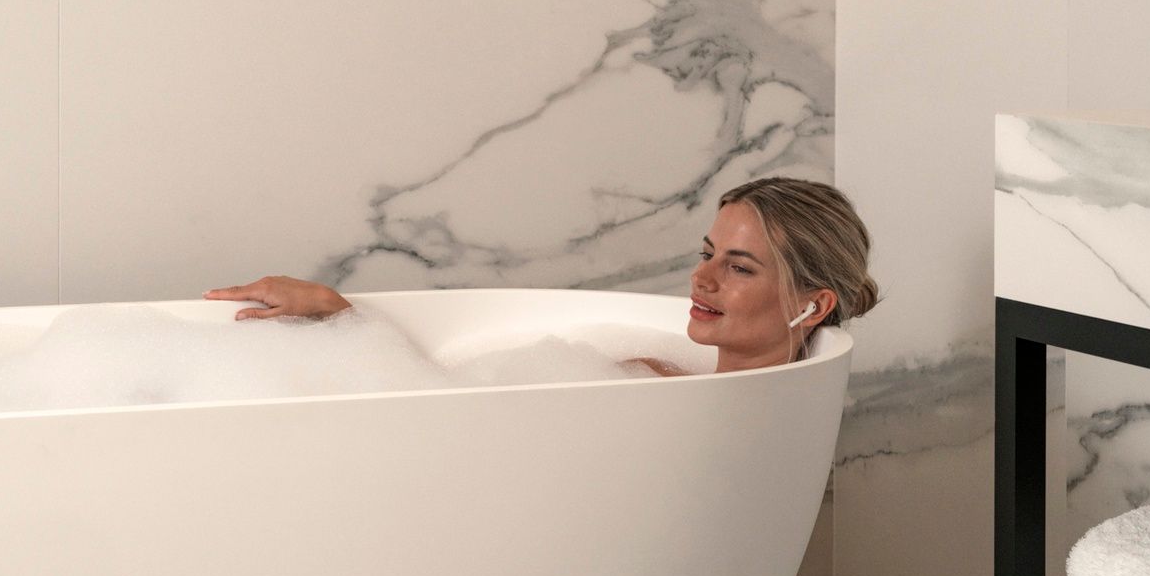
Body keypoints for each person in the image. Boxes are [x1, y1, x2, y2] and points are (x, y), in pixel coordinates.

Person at [206, 176, 877, 375]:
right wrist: (337, 312)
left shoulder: (666, 393)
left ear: (814, 306)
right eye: (707, 253)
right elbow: (447, 404)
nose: (702, 279)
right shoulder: (652, 375)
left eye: (739, 266)